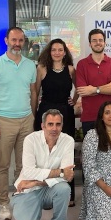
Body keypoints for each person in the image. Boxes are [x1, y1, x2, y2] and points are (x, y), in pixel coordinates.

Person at [0, 27, 37, 220]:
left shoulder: (30, 65)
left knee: (24, 165)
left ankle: (21, 199)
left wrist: (33, 116)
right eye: (14, 40)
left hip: (26, 120)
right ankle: (3, 203)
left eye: (20, 40)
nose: (17, 44)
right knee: (2, 165)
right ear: (6, 41)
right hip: (4, 121)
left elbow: (33, 92)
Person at [11, 109, 74, 220]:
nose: (54, 128)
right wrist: (59, 172)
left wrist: (34, 183)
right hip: (26, 192)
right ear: (42, 126)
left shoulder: (68, 141)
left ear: (62, 126)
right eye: (50, 124)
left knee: (63, 188)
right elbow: (29, 172)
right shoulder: (30, 140)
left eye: (58, 124)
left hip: (43, 189)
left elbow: (67, 176)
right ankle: (30, 218)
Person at [35, 38, 78, 206]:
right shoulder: (42, 68)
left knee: (66, 152)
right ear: (49, 51)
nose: (57, 53)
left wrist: (74, 100)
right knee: (45, 153)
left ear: (65, 52)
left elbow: (78, 88)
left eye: (60, 50)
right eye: (54, 50)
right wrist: (35, 112)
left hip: (65, 113)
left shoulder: (70, 69)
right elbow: (36, 92)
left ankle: (69, 194)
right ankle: (45, 194)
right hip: (46, 112)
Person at [76, 29, 111, 136]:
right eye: (94, 40)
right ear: (89, 44)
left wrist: (94, 89)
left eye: (100, 40)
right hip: (90, 117)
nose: (98, 43)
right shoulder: (82, 64)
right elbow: (83, 91)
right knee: (90, 147)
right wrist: (109, 86)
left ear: (105, 43)